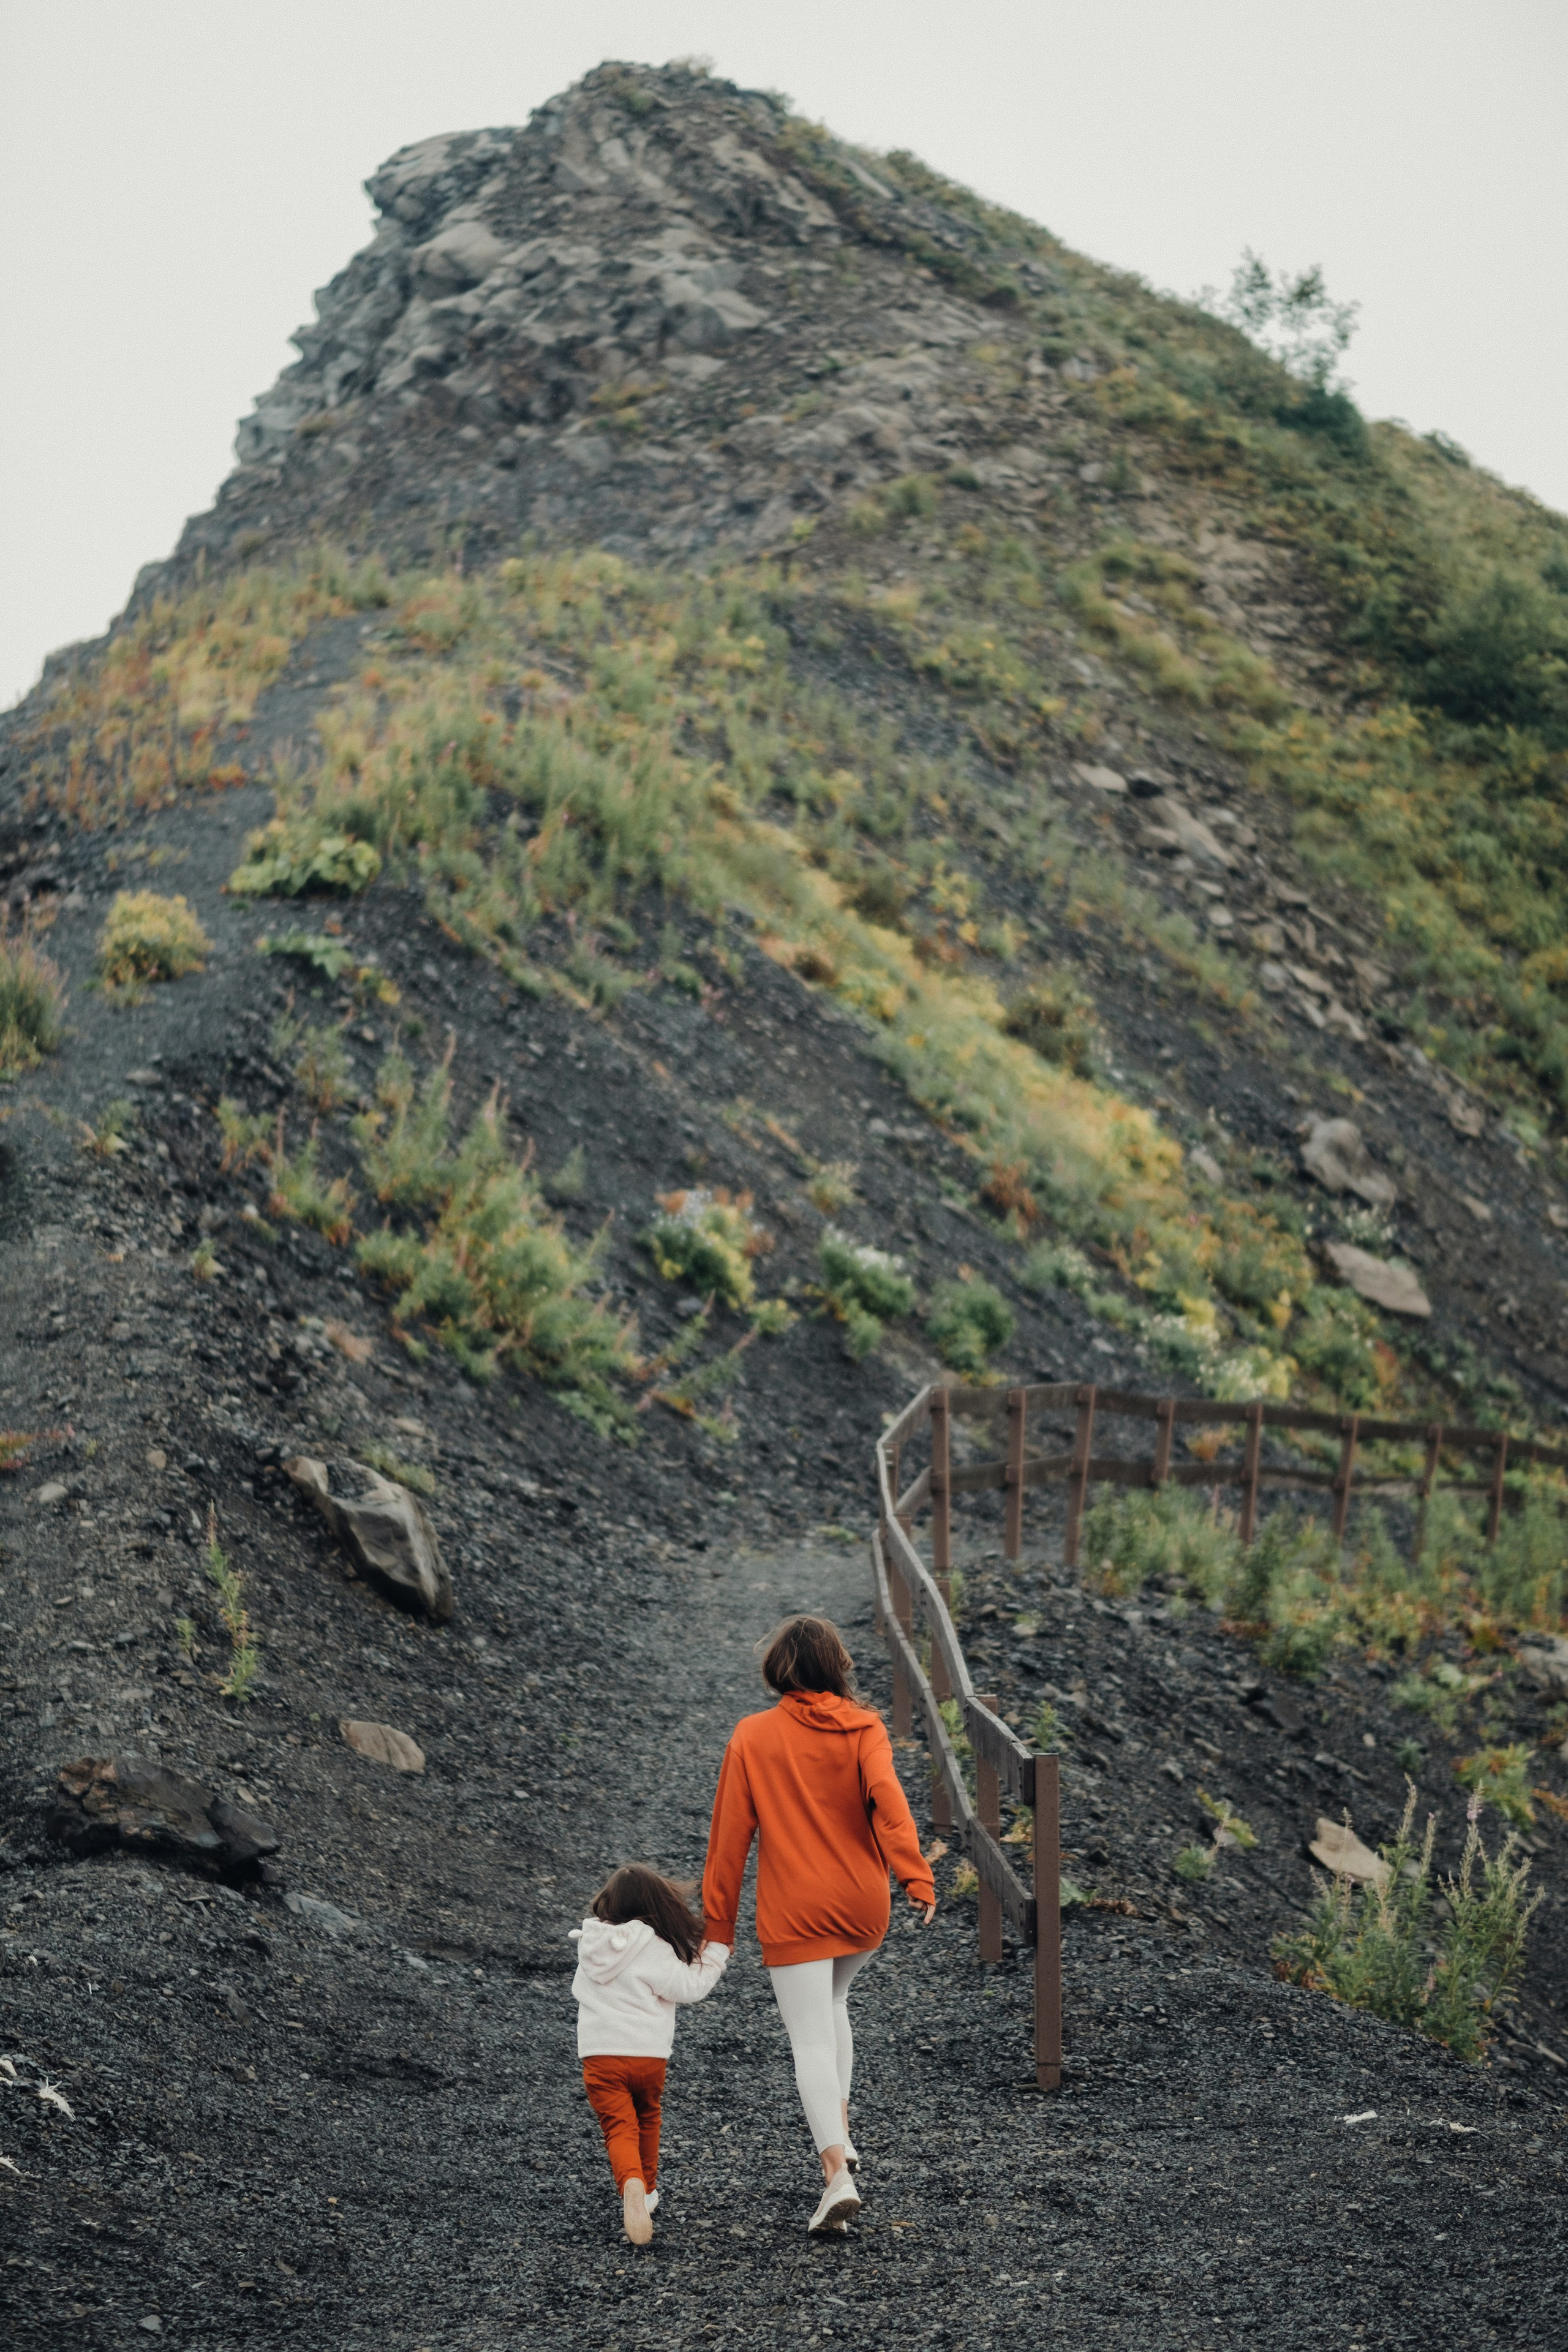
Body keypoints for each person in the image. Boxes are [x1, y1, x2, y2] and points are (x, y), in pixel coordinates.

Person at [702, 1615, 937, 2235]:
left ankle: (836, 2174)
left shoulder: (752, 1736)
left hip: (798, 1910)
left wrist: (717, 1930)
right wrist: (915, 1876)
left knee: (807, 2036)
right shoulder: (866, 1728)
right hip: (864, 1906)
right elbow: (890, 1803)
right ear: (836, 1667)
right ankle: (841, 2131)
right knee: (834, 1999)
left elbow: (729, 1844)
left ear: (778, 1668)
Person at [571, 1863, 730, 2245]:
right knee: (648, 2118)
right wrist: (716, 1953)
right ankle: (649, 2189)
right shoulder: (654, 1947)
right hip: (648, 2055)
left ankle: (631, 2184)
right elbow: (689, 1987)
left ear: (609, 1902)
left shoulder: (589, 1945)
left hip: (599, 2055)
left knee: (618, 2127)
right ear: (657, 1903)